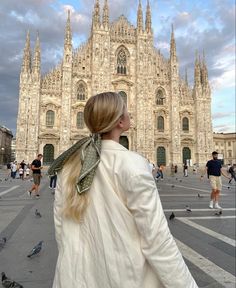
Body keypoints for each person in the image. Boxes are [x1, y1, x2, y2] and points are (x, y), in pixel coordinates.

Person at [49, 92, 198, 288]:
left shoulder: (68, 166)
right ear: (120, 121)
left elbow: (62, 230)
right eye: (126, 110)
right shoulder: (134, 165)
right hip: (123, 277)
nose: (130, 113)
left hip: (73, 277)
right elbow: (157, 241)